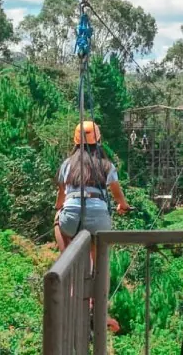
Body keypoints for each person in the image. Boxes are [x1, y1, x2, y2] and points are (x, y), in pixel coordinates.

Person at [53, 120, 130, 332]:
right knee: (99, 263)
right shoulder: (106, 165)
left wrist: (59, 209)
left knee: (59, 223)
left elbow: (61, 197)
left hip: (72, 217)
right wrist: (123, 206)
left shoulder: (67, 164)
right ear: (99, 141)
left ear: (75, 141)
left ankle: (68, 258)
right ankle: (99, 309)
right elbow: (117, 194)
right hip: (98, 219)